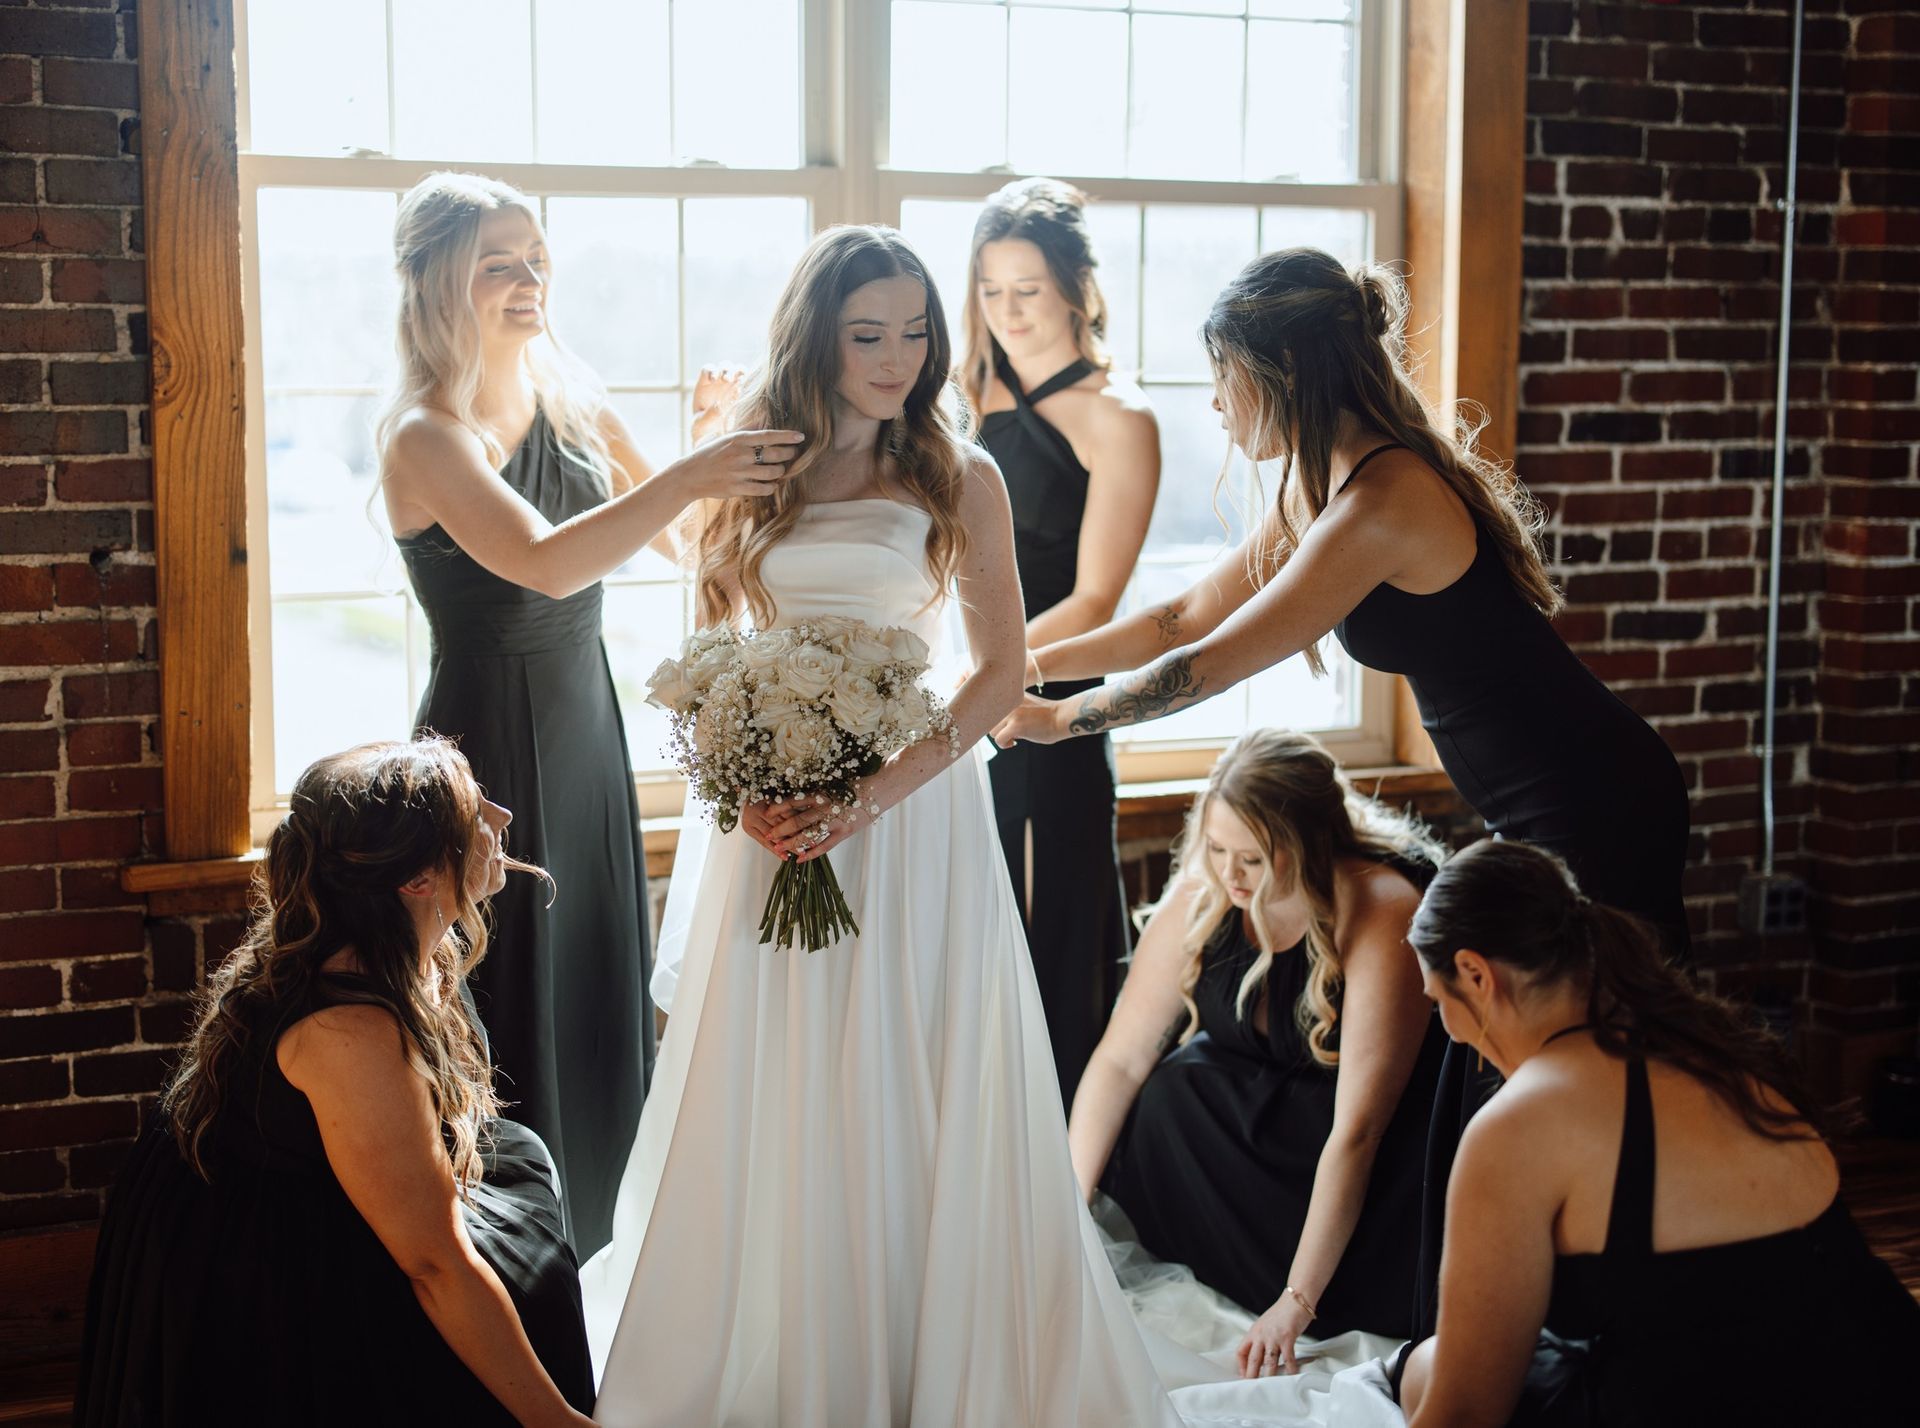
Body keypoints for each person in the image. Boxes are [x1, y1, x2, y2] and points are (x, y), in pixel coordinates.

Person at [994, 248, 1691, 1335]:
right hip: (1535, 811)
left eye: (1226, 380)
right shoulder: (1327, 484)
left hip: (1595, 803)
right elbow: (1179, 616)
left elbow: (1210, 663)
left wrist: (1059, 720)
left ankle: (1604, 1325)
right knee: (1535, 1073)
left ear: (1284, 376)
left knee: (1582, 1065)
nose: (1217, 408)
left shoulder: (1386, 499)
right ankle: (1535, 1320)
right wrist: (1019, 669)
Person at [578, 225, 1183, 1428]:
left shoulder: (963, 474)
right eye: (869, 334)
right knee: (784, 1077)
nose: (897, 358)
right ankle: (789, 1348)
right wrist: (742, 776)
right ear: (816, 335)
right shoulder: (755, 466)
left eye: (915, 332)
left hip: (914, 825)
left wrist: (870, 799)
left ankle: (923, 1349)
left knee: (913, 1065)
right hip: (775, 816)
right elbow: (712, 645)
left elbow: (1002, 670)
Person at [376, 172, 803, 1256]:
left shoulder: (576, 397)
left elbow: (688, 544)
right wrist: (692, 470)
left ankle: (614, 1249)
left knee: (597, 974)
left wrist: (705, 444)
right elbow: (545, 564)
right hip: (486, 735)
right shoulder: (425, 434)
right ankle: (515, 1257)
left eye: (536, 256)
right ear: (436, 282)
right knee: (511, 976)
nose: (529, 280)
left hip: (585, 729)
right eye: (498, 263)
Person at [75, 739, 597, 1427]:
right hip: (262, 1269)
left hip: (312, 1193)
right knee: (512, 1287)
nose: (500, 815)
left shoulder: (379, 936)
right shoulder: (348, 1032)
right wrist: (558, 1420)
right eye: (474, 813)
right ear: (416, 879)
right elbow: (435, 1265)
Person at [1396, 839, 1920, 1426]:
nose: (1452, 1030)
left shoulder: (1518, 1122)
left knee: (1424, 1371)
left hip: (1725, 1398)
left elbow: (1465, 1413)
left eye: (1439, 1000)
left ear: (1475, 973)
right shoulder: (1711, 1050)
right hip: (1879, 1378)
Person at [1071, 730, 1445, 1379]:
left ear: (1309, 844)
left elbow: (1358, 1133)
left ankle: (1308, 1281)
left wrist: (1295, 1303)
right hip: (1263, 1135)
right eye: (1216, 850)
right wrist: (1068, 1211)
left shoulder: (1380, 908)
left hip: (1364, 1165)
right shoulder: (1210, 886)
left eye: (1255, 858)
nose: (1231, 875)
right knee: (1166, 1092)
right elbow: (1119, 1060)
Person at [961, 178, 1161, 1101]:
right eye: (991, 291)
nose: (1007, 313)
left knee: (1052, 926)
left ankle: (1060, 1147)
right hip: (959, 698)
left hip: (1050, 694)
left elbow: (1098, 599)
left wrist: (997, 676)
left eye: (1027, 291)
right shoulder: (965, 395)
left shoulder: (1122, 421)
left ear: (1077, 287)